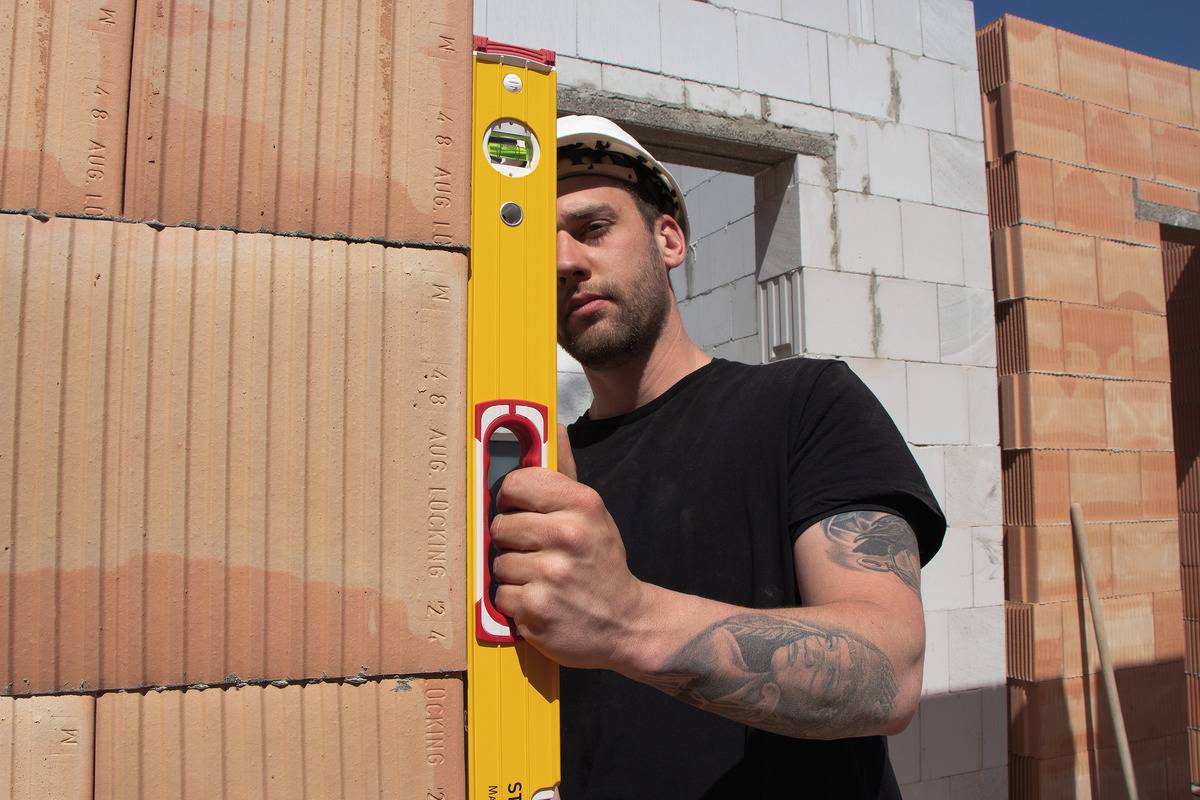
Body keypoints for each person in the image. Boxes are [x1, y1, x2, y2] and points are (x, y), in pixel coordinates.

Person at [488, 115, 946, 799]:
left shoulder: (803, 404)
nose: (564, 263)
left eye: (593, 229)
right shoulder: (547, 471)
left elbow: (890, 672)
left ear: (668, 238)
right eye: (539, 252)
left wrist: (627, 620)